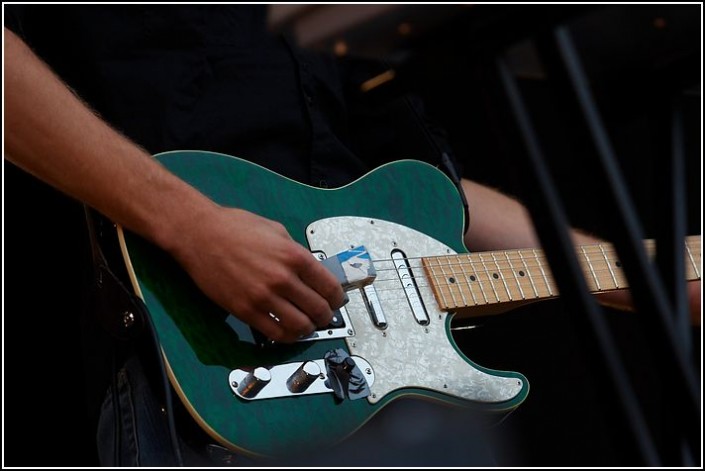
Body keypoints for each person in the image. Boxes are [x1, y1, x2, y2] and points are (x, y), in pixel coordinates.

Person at [4, 5, 700, 467]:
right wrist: (188, 223)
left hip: (395, 401)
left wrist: (647, 270)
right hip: (203, 371)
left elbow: (422, 203)